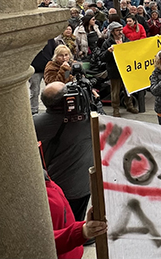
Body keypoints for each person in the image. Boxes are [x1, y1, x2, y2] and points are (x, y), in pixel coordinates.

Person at [35, 82, 93, 222]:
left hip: (55, 183)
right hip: (81, 186)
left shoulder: (36, 123)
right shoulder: (85, 121)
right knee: (75, 223)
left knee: (61, 221)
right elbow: (103, 121)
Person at [45, 172, 107, 259]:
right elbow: (40, 241)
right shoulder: (24, 196)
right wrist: (82, 231)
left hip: (73, 250)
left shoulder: (40, 177)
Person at [100, 22, 137, 117]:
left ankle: (129, 105)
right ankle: (115, 109)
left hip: (126, 70)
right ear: (112, 32)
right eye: (117, 30)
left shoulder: (125, 40)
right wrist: (108, 52)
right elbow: (102, 57)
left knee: (128, 90)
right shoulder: (107, 43)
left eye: (121, 29)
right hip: (114, 71)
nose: (120, 32)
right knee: (115, 92)